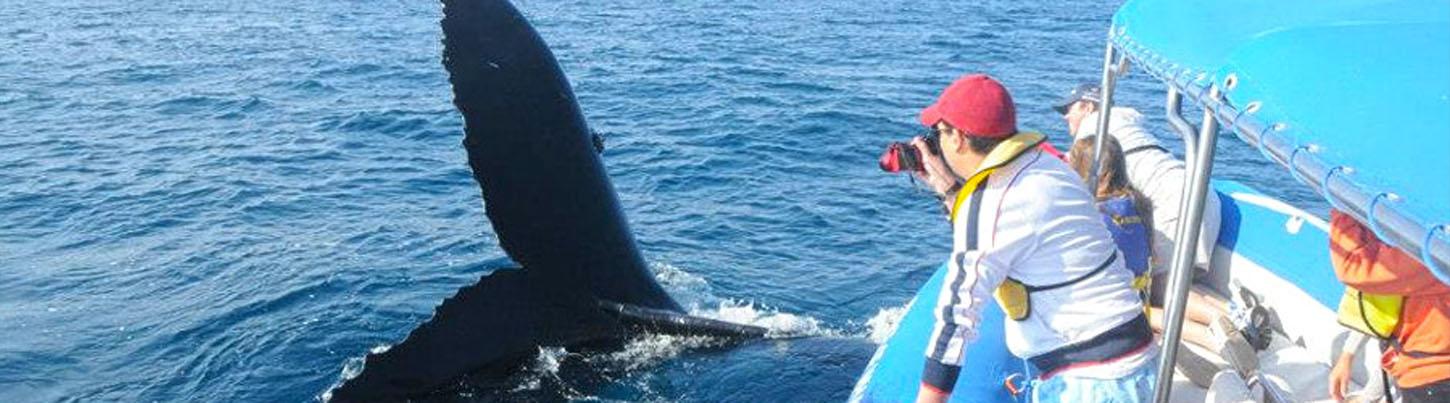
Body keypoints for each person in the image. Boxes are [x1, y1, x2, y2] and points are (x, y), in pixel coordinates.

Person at [908, 74, 1157, 403]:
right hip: (1137, 362)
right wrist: (950, 192)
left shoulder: (989, 201)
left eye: (940, 132)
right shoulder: (1049, 167)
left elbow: (957, 314)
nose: (937, 142)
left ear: (959, 139)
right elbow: (1007, 228)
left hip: (1089, 381)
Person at [1327, 210, 1450, 402]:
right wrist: (1347, 356)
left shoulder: (1437, 253)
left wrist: (1340, 203)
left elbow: (1354, 267)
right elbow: (1388, 307)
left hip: (1433, 382)